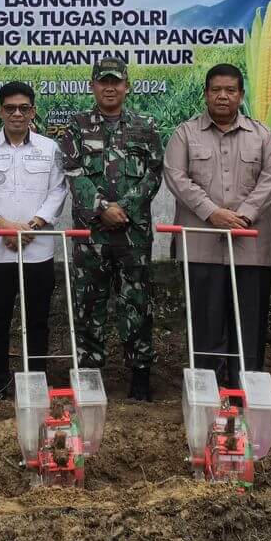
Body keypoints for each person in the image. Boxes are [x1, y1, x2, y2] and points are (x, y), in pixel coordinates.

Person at [163, 63, 271, 384]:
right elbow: (176, 177)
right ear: (206, 94)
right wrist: (212, 213)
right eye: (216, 90)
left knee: (248, 320)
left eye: (230, 90)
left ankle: (246, 386)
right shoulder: (185, 134)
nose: (223, 96)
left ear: (241, 95)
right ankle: (207, 389)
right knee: (205, 320)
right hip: (201, 245)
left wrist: (244, 214)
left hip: (250, 248)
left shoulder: (262, 136)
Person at [61, 55, 165, 401]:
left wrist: (126, 209)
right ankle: (89, 375)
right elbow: (73, 174)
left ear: (126, 85)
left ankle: (139, 375)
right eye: (103, 81)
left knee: (136, 302)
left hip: (133, 235)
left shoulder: (145, 125)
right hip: (91, 236)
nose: (109, 87)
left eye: (116, 81)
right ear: (92, 86)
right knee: (89, 304)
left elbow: (154, 173)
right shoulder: (76, 126)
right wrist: (103, 209)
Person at [0, 81, 68, 395]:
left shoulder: (49, 149)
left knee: (37, 318)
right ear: (0, 111)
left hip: (38, 249)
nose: (17, 114)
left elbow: (58, 191)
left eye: (23, 108)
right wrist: (6, 226)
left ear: (33, 111)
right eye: (10, 108)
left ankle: (35, 380)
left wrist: (32, 227)